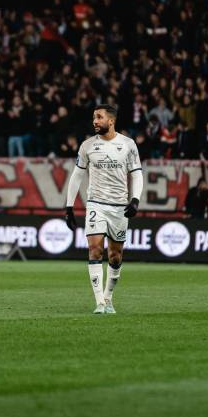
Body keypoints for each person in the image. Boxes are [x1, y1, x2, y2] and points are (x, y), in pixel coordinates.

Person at [64, 104, 143, 315]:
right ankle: (99, 302)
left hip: (119, 207)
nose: (95, 121)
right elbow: (77, 176)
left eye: (99, 117)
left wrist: (135, 200)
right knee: (95, 249)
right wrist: (69, 206)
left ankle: (108, 298)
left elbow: (136, 174)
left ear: (111, 121)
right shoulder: (87, 146)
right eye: (93, 118)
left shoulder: (128, 145)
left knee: (115, 256)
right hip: (96, 204)